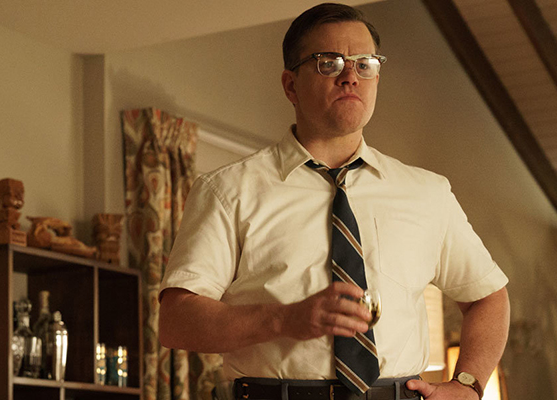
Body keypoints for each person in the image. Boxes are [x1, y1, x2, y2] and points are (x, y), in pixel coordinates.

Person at [159, 3, 510, 400]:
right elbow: (176, 321)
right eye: (329, 63)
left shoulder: (428, 194)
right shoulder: (228, 191)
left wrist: (468, 385)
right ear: (291, 85)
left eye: (364, 64)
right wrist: (284, 319)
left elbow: (488, 296)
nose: (350, 76)